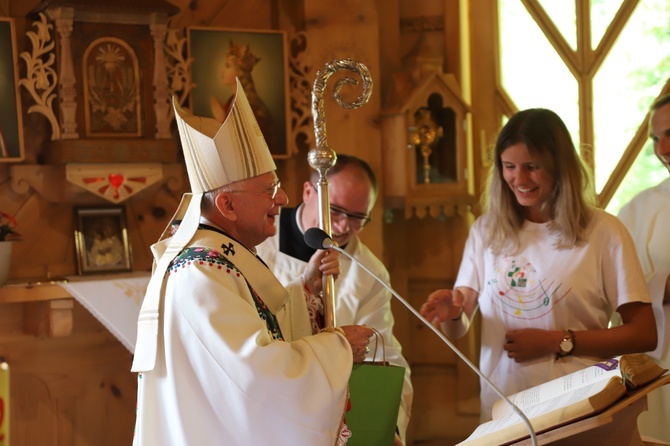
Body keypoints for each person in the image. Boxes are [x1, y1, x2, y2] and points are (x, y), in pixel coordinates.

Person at [131, 78, 374, 446]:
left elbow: (256, 339)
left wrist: (305, 291)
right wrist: (337, 347)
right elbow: (259, 379)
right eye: (268, 190)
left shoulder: (216, 259)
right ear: (227, 205)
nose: (283, 198)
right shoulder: (200, 274)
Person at [419, 108, 657, 421]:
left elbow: (644, 334)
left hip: (580, 408)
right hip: (504, 410)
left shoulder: (604, 232)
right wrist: (452, 313)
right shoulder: (485, 231)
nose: (519, 179)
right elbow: (459, 324)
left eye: (532, 167)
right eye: (509, 167)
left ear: (560, 166)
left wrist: (556, 342)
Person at [256, 154, 413, 445]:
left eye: (358, 218)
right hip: (269, 405)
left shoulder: (369, 272)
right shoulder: (259, 242)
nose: (342, 226)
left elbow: (385, 353)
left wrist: (388, 422)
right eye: (335, 210)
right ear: (307, 192)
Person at [617, 92, 670, 442]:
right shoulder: (639, 210)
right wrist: (661, 287)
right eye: (655, 138)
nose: (662, 148)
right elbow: (618, 293)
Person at [210, 40, 276, 152]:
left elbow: (252, 144)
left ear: (239, 72)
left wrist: (222, 119)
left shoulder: (251, 106)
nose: (222, 71)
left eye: (228, 66)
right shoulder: (231, 101)